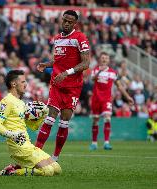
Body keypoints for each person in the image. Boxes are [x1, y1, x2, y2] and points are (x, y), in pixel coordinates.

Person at [35, 10, 90, 161]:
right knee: (50, 118)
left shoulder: (80, 38)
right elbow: (59, 60)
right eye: (65, 20)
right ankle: (35, 153)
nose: (66, 23)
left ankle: (55, 157)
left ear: (75, 24)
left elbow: (86, 63)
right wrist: (47, 64)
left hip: (73, 87)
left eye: (70, 21)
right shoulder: (57, 38)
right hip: (57, 83)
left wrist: (67, 72)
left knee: (64, 122)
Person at [0, 70, 61, 176]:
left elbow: (33, 127)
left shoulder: (21, 103)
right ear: (14, 84)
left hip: (28, 146)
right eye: (23, 82)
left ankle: (17, 166)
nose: (26, 84)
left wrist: (42, 116)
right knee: (48, 171)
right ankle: (12, 172)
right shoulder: (6, 101)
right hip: (19, 148)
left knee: (57, 169)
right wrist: (13, 135)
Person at [89, 52, 134, 150]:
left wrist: (128, 97)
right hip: (96, 99)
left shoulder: (113, 72)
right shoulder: (95, 70)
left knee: (107, 118)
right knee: (95, 121)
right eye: (103, 58)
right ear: (100, 59)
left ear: (109, 60)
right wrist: (99, 72)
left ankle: (106, 142)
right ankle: (94, 143)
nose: (104, 59)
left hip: (107, 99)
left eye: (106, 58)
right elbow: (92, 79)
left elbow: (120, 86)